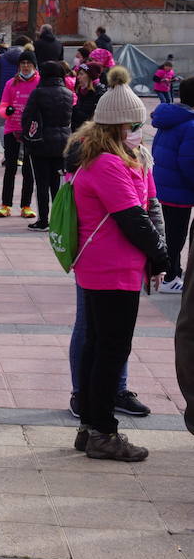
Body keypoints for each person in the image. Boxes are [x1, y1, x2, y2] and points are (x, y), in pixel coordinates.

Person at [66, 77, 166, 462]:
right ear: (118, 127)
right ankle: (104, 431)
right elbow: (133, 218)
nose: (141, 132)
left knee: (98, 347)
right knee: (111, 349)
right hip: (112, 268)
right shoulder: (108, 164)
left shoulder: (111, 159)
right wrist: (162, 258)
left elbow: (146, 206)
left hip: (105, 266)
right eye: (136, 126)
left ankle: (90, 427)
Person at [151, 76, 194, 293]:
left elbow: (156, 150)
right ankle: (170, 277)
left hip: (166, 185)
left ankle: (165, 272)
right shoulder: (191, 125)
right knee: (177, 236)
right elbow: (189, 163)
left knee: (169, 232)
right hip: (181, 189)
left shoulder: (171, 118)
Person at [20, 61, 74, 231]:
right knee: (56, 184)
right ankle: (59, 220)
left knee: (42, 184)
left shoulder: (38, 93)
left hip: (41, 144)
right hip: (62, 143)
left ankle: (44, 220)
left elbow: (27, 118)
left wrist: (27, 139)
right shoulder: (68, 93)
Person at [0, 50, 40, 219]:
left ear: (34, 65)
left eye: (28, 63)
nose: (25, 66)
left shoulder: (39, 82)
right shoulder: (11, 83)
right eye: (22, 63)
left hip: (32, 131)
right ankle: (5, 205)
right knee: (10, 168)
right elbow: (2, 106)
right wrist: (6, 110)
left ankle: (26, 206)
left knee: (29, 170)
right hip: (12, 130)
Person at [72, 63, 106, 129]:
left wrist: (72, 110)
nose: (78, 77)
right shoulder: (81, 90)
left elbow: (92, 117)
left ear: (90, 76)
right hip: (78, 130)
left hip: (90, 131)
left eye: (81, 74)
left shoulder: (99, 93)